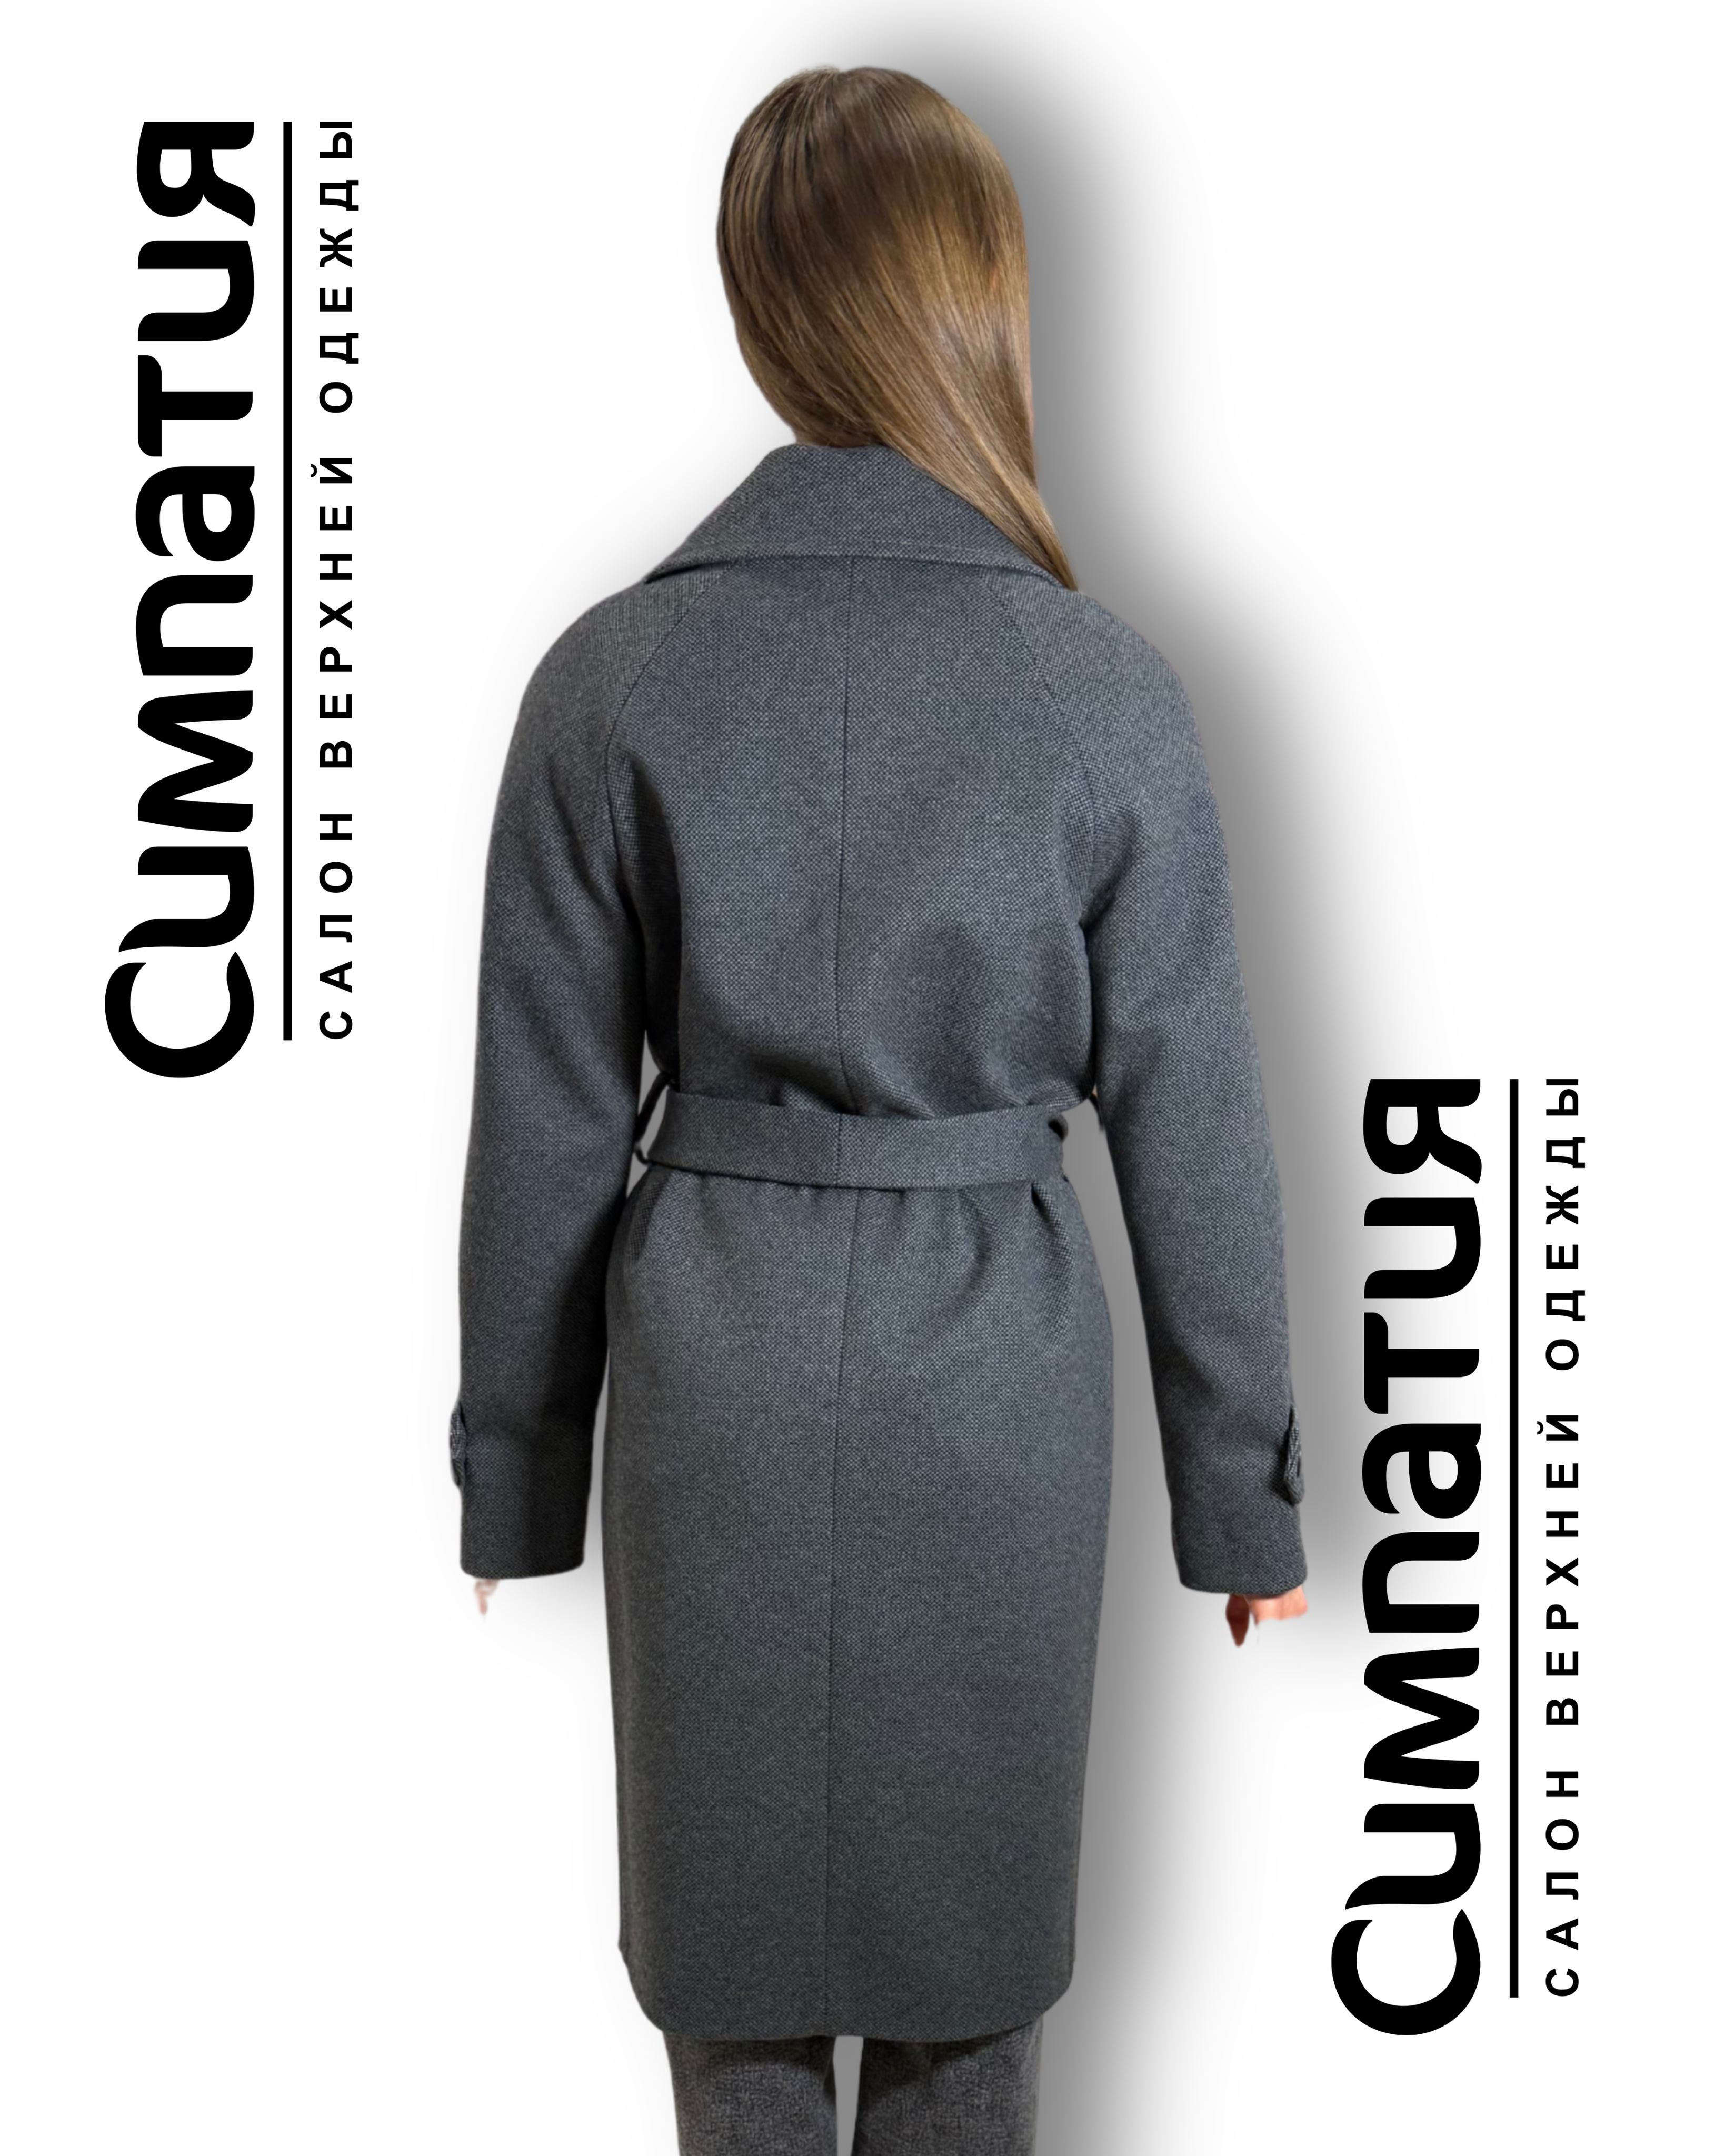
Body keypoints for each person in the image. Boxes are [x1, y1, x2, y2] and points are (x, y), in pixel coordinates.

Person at [451, 64, 1307, 2155]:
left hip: (715, 1370)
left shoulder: (611, 680)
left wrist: (515, 1473)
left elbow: (544, 1114)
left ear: (762, 303)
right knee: (968, 2013)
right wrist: (1243, 1499)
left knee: (730, 1999)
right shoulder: (1099, 686)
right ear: (978, 300)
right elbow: (1191, 1111)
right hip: (993, 1381)